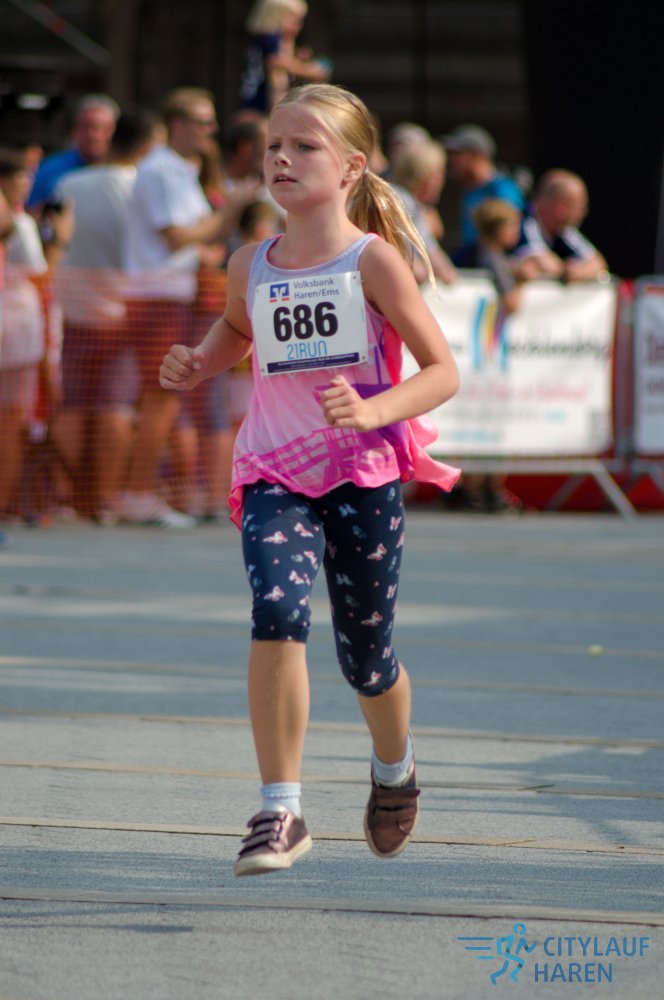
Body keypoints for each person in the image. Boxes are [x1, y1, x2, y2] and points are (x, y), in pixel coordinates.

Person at [159, 83, 460, 876]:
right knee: (277, 610)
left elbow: (442, 371)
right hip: (274, 469)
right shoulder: (250, 261)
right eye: (273, 146)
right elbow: (238, 326)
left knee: (367, 657)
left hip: (361, 474)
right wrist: (200, 359)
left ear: (353, 167)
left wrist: (373, 410)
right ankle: (281, 809)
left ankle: (394, 767)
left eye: (304, 147)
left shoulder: (373, 260)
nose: (282, 159)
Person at [118, 87, 260, 529]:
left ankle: (145, 492)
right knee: (160, 396)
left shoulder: (177, 169)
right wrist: (230, 210)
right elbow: (178, 237)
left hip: (172, 294)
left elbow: (194, 238)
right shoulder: (160, 169)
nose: (210, 130)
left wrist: (219, 225)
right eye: (202, 121)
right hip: (157, 295)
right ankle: (137, 494)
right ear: (177, 124)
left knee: (169, 398)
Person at [51, 107, 157, 522]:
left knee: (74, 403)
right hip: (121, 311)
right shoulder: (139, 188)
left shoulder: (69, 183)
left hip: (72, 308)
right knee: (115, 405)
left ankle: (65, 499)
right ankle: (106, 498)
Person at [454, 198, 526, 514]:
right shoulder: (493, 259)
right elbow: (512, 302)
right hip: (486, 352)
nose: (517, 233)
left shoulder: (472, 253)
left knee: (479, 419)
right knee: (490, 420)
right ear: (499, 229)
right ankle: (483, 488)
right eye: (512, 226)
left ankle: (474, 487)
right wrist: (523, 282)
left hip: (478, 350)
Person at [0, 149, 49, 519]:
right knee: (12, 420)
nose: (26, 184)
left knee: (13, 419)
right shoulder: (19, 222)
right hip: (15, 329)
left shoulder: (23, 221)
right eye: (19, 178)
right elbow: (42, 272)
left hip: (17, 330)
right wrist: (60, 241)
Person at [441, 123, 525, 262]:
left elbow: (508, 238)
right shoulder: (469, 189)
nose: (451, 160)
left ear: (475, 155)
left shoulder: (503, 189)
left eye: (457, 154)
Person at [26, 93, 120, 214]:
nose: (95, 135)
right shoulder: (50, 170)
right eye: (87, 127)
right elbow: (30, 211)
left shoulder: (127, 172)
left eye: (105, 128)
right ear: (76, 129)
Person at [511, 169, 609, 283]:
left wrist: (578, 271)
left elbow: (599, 262)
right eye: (580, 208)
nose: (583, 213)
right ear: (561, 209)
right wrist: (568, 270)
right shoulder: (525, 222)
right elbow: (541, 261)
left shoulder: (564, 231)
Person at [239, 0, 331, 113]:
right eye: (295, 20)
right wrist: (312, 71)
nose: (300, 25)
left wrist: (295, 59)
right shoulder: (271, 39)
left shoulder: (264, 39)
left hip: (253, 98)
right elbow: (277, 62)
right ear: (277, 17)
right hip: (260, 102)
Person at [390, 140, 457, 285]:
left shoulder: (417, 206)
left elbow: (431, 251)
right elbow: (410, 263)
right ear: (424, 175)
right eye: (439, 175)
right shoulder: (398, 200)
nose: (442, 182)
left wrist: (447, 272)